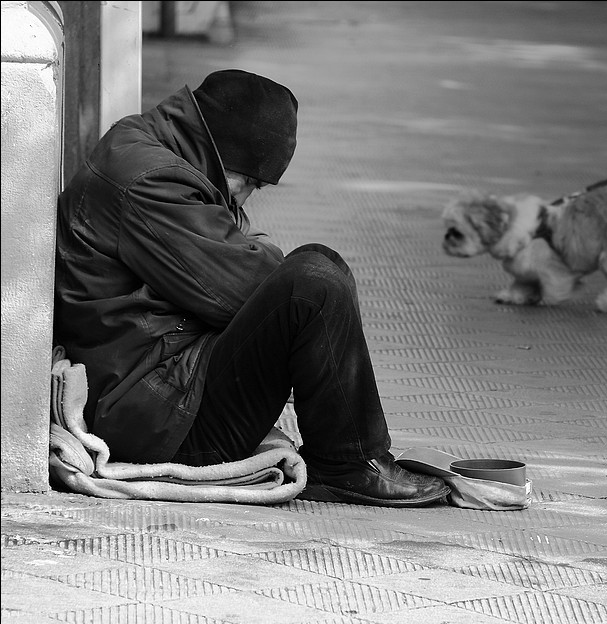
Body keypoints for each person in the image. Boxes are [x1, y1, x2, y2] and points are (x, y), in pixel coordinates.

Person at [53, 69, 449, 508]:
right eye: (251, 182)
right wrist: (252, 249)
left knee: (321, 266)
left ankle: (348, 454)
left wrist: (245, 245)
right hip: (162, 418)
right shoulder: (151, 179)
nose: (246, 198)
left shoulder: (155, 148)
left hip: (161, 390)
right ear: (223, 152)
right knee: (312, 285)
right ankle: (348, 465)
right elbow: (243, 292)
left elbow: (241, 255)